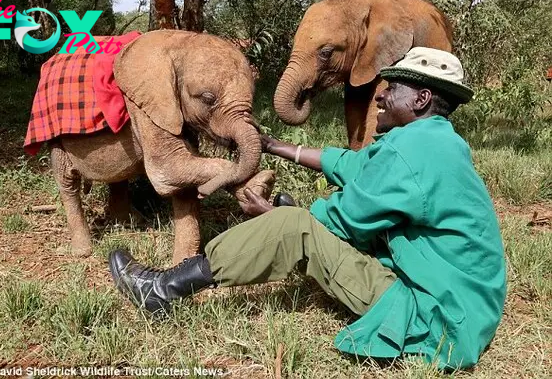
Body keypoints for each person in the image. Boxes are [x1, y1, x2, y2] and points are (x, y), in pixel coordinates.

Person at [108, 47, 506, 370]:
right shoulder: (436, 141)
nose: (381, 95)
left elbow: (344, 221)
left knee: (294, 225)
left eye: (393, 87)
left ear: (420, 99)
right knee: (302, 221)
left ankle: (166, 288)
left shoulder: (412, 150)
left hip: (437, 321)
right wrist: (277, 146)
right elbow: (355, 166)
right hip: (466, 308)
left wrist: (277, 220)